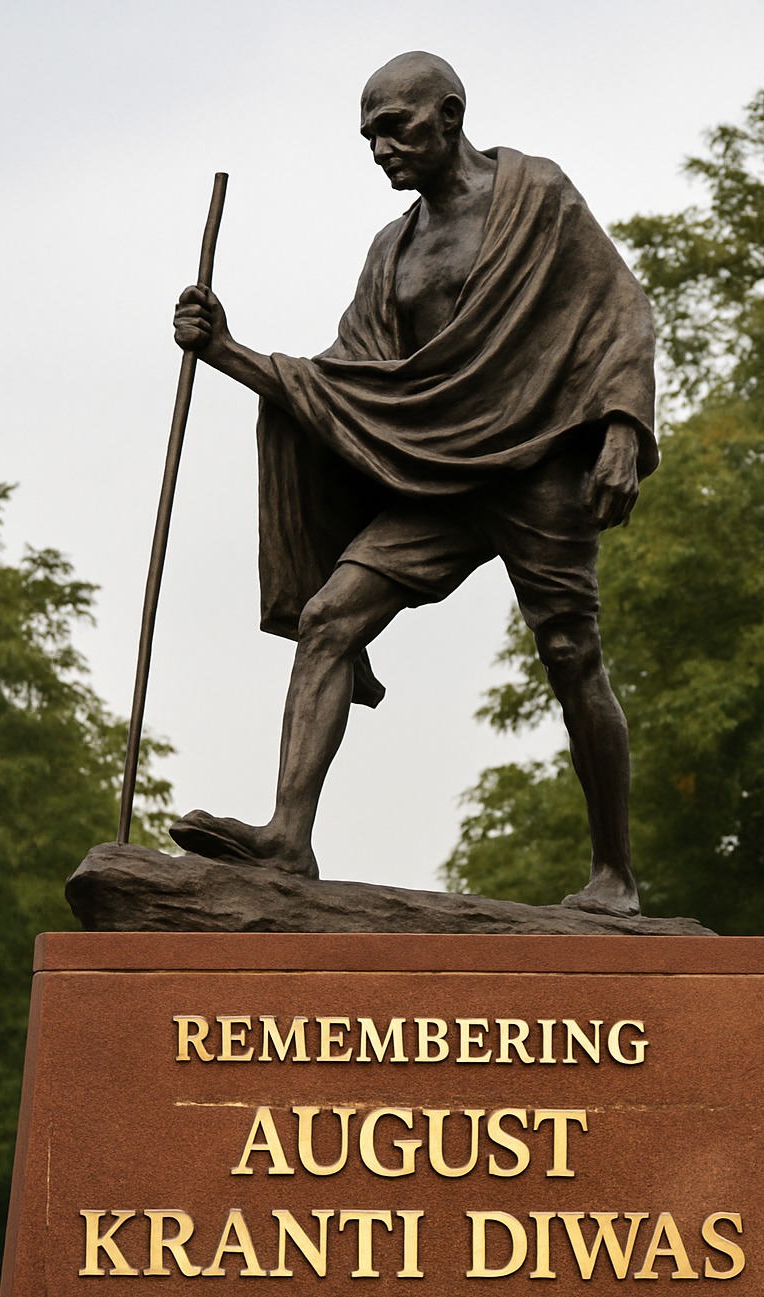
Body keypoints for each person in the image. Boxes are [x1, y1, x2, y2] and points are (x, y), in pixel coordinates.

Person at [170, 51, 658, 917]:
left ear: (448, 114)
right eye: (369, 138)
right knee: (329, 618)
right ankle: (288, 837)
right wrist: (228, 352)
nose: (380, 150)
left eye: (394, 128)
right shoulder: (389, 253)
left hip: (539, 463)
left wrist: (623, 427)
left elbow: (619, 307)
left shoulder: (536, 195)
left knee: (572, 656)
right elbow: (347, 386)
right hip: (435, 481)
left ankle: (614, 873)